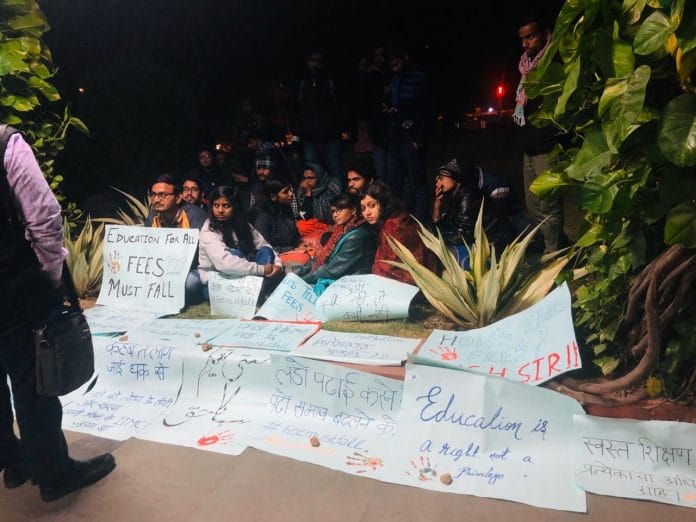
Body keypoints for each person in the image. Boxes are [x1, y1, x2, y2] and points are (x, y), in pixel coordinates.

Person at [0, 124, 115, 502]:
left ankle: (13, 460)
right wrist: (51, 278)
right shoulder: (6, 144)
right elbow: (44, 217)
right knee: (34, 381)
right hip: (13, 289)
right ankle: (53, 472)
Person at [515, 14, 569, 253]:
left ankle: (553, 255)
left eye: (531, 37)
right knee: (534, 205)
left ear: (546, 34)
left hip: (547, 147)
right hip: (530, 147)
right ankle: (557, 245)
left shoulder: (553, 63)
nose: (525, 43)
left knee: (549, 205)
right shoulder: (526, 67)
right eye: (522, 39)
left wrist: (552, 137)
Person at [197, 186, 283, 297]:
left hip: (245, 275)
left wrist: (278, 265)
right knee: (235, 253)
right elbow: (226, 264)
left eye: (226, 206)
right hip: (218, 280)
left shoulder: (243, 224)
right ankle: (259, 289)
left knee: (266, 251)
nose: (220, 210)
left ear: (235, 207)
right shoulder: (209, 229)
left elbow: (265, 245)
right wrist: (262, 270)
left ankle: (256, 289)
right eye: (216, 205)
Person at [385, 43, 432, 223]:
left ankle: (421, 225)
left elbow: (427, 110)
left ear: (405, 57)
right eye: (391, 65)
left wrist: (420, 138)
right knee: (395, 183)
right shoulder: (394, 79)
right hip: (396, 137)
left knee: (417, 183)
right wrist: (393, 111)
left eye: (396, 64)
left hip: (413, 137)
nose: (394, 68)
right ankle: (400, 223)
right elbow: (399, 105)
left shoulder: (419, 77)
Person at [144, 174, 207, 303]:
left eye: (163, 195)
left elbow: (197, 253)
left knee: (188, 284)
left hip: (191, 268)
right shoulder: (153, 216)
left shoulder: (194, 214)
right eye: (153, 195)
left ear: (178, 198)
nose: (156, 200)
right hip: (161, 268)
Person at [360, 183, 435, 285]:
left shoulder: (395, 226)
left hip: (412, 285)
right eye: (363, 208)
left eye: (372, 205)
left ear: (384, 203)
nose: (367, 213)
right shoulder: (397, 219)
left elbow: (389, 267)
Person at [302, 193, 376, 294]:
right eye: (333, 211)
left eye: (339, 210)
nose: (335, 215)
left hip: (353, 283)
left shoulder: (355, 237)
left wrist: (302, 280)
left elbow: (331, 270)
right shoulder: (344, 229)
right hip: (341, 275)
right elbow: (324, 260)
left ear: (353, 210)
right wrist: (298, 271)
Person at [294, 50, 348, 183]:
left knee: (335, 174)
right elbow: (297, 110)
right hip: (309, 139)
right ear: (307, 62)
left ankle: (338, 197)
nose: (316, 64)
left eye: (319, 61)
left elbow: (339, 108)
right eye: (313, 60)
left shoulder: (330, 82)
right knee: (312, 175)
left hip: (330, 138)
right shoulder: (302, 83)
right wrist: (299, 133)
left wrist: (338, 129)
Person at [296, 162, 341, 234]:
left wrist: (334, 225)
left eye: (310, 178)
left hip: (337, 222)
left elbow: (340, 210)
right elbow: (305, 216)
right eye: (304, 178)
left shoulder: (332, 187)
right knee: (301, 225)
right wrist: (308, 195)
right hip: (320, 225)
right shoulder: (302, 191)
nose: (306, 181)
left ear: (319, 177)